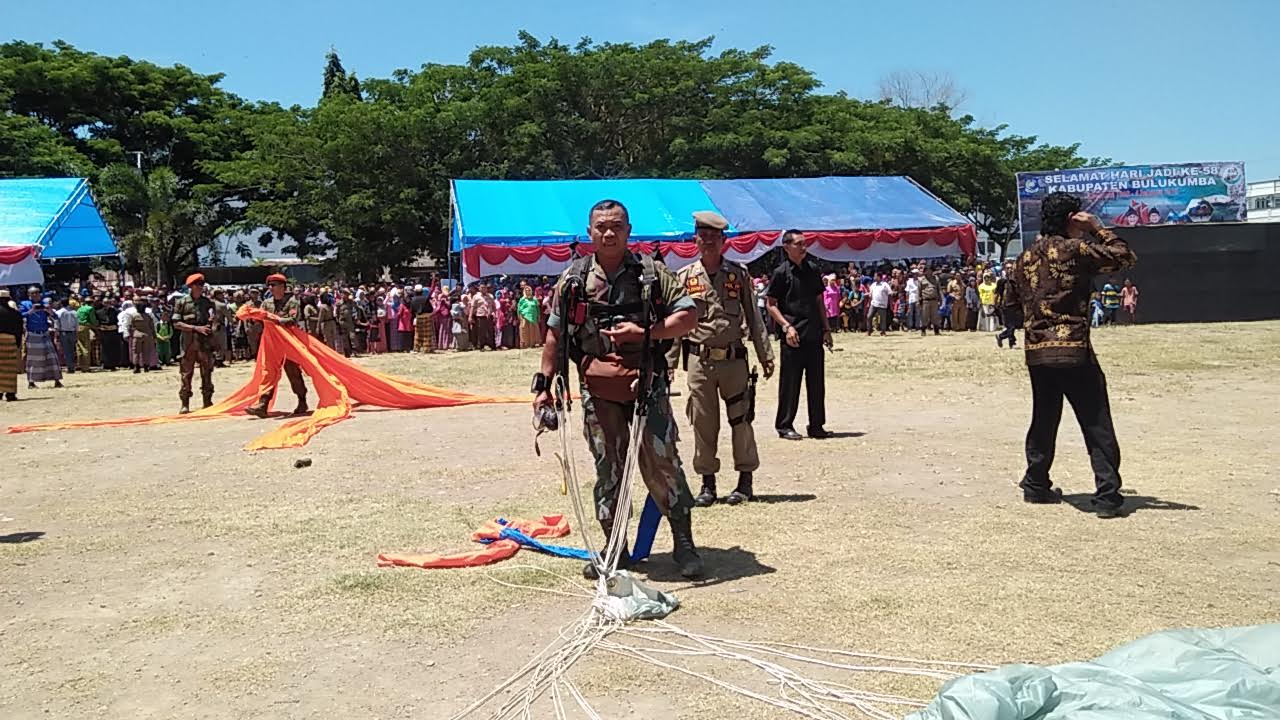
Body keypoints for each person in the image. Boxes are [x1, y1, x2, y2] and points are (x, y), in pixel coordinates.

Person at [532, 199, 703, 579]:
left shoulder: (651, 273)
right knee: (608, 467)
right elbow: (554, 335)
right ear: (589, 232)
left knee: (662, 463)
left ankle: (683, 543)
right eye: (601, 227)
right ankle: (615, 546)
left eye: (617, 226)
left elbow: (688, 315)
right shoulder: (574, 279)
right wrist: (543, 386)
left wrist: (646, 333)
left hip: (647, 387)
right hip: (598, 391)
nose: (608, 233)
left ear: (629, 231)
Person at [1007, 191, 1137, 518]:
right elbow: (1124, 256)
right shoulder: (1075, 249)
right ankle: (1107, 495)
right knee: (1095, 420)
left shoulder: (1025, 257)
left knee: (1044, 417)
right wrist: (1096, 226)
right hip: (1073, 349)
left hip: (1037, 351)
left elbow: (1007, 304)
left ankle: (1036, 483)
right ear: (1072, 220)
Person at [670, 211, 776, 507]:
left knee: (741, 419)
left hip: (733, 358)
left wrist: (765, 353)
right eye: (703, 237)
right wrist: (669, 362)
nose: (708, 242)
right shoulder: (684, 277)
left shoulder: (737, 274)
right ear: (695, 240)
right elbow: (678, 322)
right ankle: (707, 483)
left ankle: (745, 481)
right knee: (703, 423)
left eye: (714, 237)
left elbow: (754, 318)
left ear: (723, 240)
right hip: (699, 360)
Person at [766, 230, 832, 440]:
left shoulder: (812, 269)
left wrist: (826, 329)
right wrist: (786, 326)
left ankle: (816, 425)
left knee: (816, 383)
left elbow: (819, 301)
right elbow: (771, 304)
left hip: (813, 333)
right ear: (787, 247)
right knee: (790, 383)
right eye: (799, 244)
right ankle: (785, 425)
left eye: (805, 244)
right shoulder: (781, 273)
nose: (804, 248)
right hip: (792, 336)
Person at [245, 273, 309, 418]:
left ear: (282, 287)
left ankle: (302, 400)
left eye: (273, 285)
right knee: (268, 373)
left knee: (293, 372)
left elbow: (292, 319)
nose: (270, 288)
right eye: (269, 285)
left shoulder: (292, 301)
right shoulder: (267, 303)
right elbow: (261, 319)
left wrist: (276, 319)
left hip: (288, 342)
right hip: (272, 343)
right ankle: (263, 404)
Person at [172, 274, 217, 414]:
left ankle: (207, 401)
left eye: (201, 285)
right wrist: (195, 328)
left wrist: (212, 323)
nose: (200, 288)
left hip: (204, 341)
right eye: (197, 285)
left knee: (207, 371)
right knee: (186, 373)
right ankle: (185, 403)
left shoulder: (208, 302)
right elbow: (176, 323)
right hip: (188, 341)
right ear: (190, 287)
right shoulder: (182, 302)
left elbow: (214, 320)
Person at [22, 292, 64, 390]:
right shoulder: (25, 304)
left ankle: (57, 380)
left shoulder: (44, 304)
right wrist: (31, 311)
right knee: (33, 359)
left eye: (37, 293)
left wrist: (49, 311)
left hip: (45, 334)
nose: (35, 295)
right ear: (29, 295)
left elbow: (55, 317)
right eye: (33, 294)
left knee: (51, 357)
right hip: (33, 334)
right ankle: (31, 382)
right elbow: (20, 315)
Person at [129, 295, 159, 372]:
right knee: (146, 351)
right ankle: (146, 366)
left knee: (136, 352)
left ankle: (136, 366)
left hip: (137, 335)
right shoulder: (148, 316)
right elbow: (152, 327)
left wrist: (131, 334)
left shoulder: (133, 316)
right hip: (147, 335)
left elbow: (130, 326)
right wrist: (154, 336)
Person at [995, 261, 1022, 349]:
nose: (1009, 270)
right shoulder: (1001, 281)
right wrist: (994, 304)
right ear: (1004, 269)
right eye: (1008, 268)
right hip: (1006, 306)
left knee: (1016, 325)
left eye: (1011, 268)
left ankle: (1004, 338)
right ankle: (1008, 340)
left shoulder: (1016, 280)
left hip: (1016, 305)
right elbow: (997, 294)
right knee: (1011, 326)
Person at [0, 289, 21, 400]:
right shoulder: (15, 314)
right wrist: (17, 343)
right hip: (10, 341)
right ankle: (10, 393)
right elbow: (19, 329)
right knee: (10, 369)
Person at [96, 295, 123, 369]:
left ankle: (114, 364)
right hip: (104, 332)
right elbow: (97, 322)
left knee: (113, 348)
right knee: (105, 349)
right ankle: (105, 363)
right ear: (102, 303)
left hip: (113, 332)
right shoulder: (98, 312)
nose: (106, 304)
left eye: (108, 302)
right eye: (105, 302)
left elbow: (119, 321)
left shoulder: (115, 311)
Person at [54, 298, 79, 373]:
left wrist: (57, 335)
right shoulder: (74, 312)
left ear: (61, 303)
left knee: (67, 351)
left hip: (64, 333)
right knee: (72, 350)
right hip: (73, 332)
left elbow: (57, 325)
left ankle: (70, 367)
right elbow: (77, 324)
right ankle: (73, 365)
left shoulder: (58, 312)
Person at [470, 283, 497, 350]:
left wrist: (495, 314)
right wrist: (470, 316)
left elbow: (494, 306)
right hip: (480, 315)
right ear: (479, 288)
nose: (483, 289)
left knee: (490, 331)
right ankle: (481, 346)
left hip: (489, 315)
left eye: (484, 287)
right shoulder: (476, 296)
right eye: (481, 287)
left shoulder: (490, 296)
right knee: (481, 332)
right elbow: (472, 307)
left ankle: (492, 345)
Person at [75, 296, 98, 369]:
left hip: (78, 327)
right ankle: (86, 366)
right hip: (85, 327)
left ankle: (80, 364)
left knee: (79, 346)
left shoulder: (80, 308)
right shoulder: (90, 308)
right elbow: (92, 319)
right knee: (86, 346)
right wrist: (96, 325)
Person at [918, 266, 942, 336]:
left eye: (930, 270)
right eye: (927, 270)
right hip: (925, 300)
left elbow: (939, 289)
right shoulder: (921, 280)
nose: (928, 272)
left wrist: (941, 299)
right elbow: (918, 291)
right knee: (925, 316)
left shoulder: (936, 279)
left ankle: (936, 331)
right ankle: (923, 330)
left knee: (935, 317)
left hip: (934, 300)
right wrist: (918, 301)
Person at [410, 284, 433, 353]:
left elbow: (411, 310)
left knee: (418, 334)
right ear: (422, 291)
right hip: (426, 317)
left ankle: (417, 348)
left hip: (418, 317)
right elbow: (430, 309)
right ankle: (427, 348)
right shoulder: (425, 299)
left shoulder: (413, 299)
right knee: (427, 334)